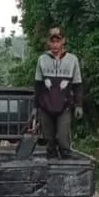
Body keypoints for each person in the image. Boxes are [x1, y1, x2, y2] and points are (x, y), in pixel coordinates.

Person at [33, 27, 84, 159]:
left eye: (58, 41)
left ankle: (67, 169)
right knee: (49, 142)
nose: (55, 44)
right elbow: (38, 85)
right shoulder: (42, 60)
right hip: (46, 107)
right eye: (52, 41)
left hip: (64, 106)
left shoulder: (72, 60)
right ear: (48, 43)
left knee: (63, 140)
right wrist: (35, 107)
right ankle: (52, 171)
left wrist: (79, 105)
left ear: (63, 41)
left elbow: (77, 84)